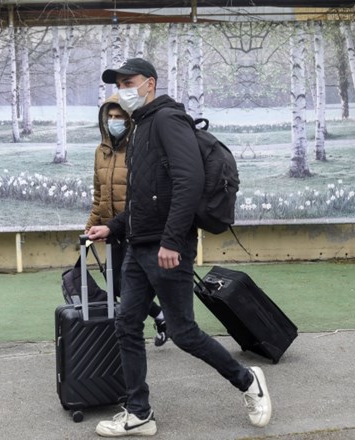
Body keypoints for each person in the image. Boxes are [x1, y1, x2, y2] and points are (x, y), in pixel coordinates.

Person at [87, 59, 272, 437]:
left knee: (184, 332)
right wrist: (114, 226)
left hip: (166, 247)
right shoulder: (140, 127)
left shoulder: (168, 120)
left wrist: (172, 240)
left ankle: (247, 381)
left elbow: (189, 182)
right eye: (118, 83)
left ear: (149, 83)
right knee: (126, 326)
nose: (122, 88)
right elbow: (143, 199)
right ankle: (139, 413)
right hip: (139, 246)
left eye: (129, 81)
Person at [85, 95, 168, 347]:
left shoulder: (138, 148)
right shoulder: (101, 151)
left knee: (138, 283)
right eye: (109, 117)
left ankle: (138, 329)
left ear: (129, 120)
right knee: (118, 285)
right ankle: (160, 315)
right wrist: (91, 225)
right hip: (111, 230)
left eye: (119, 117)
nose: (113, 121)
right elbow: (99, 193)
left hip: (136, 228)